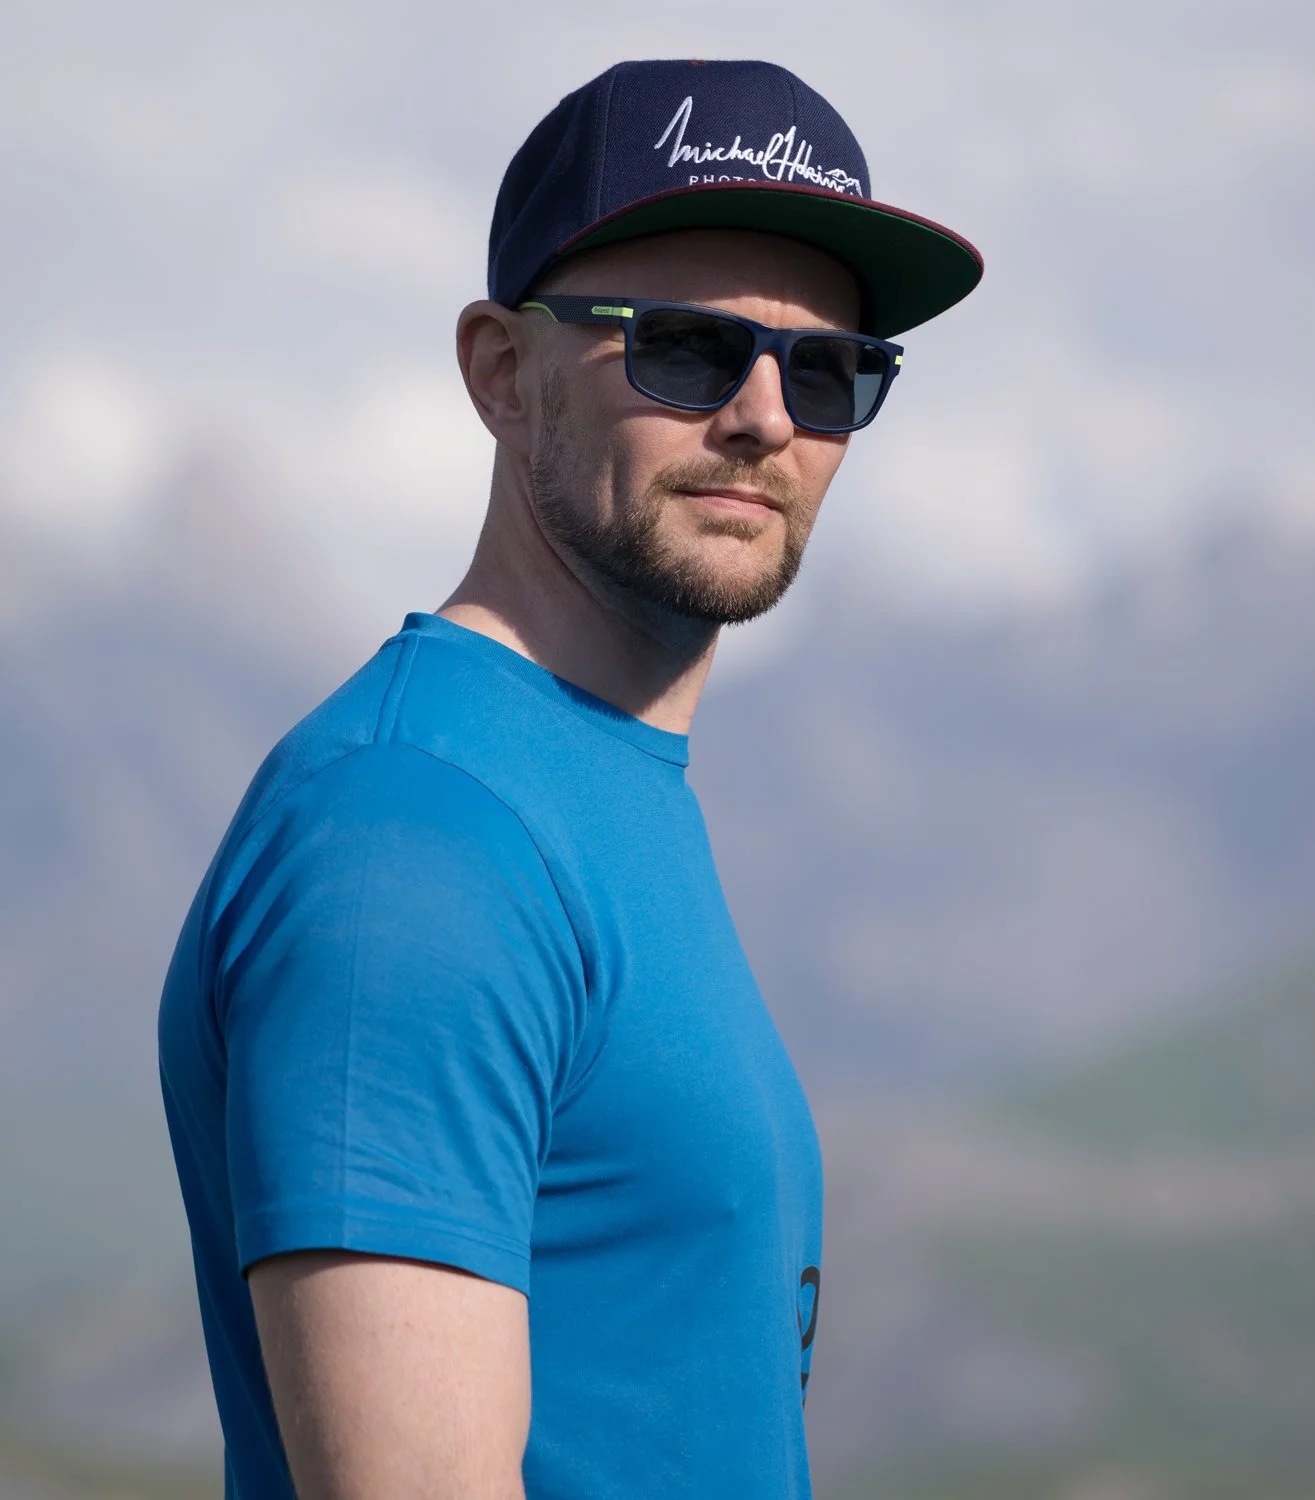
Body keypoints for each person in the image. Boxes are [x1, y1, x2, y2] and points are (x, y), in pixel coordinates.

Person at [158, 56, 981, 1500]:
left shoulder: (590, 782)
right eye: (681, 346)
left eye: (831, 372)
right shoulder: (412, 838)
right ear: (501, 370)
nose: (765, 419)